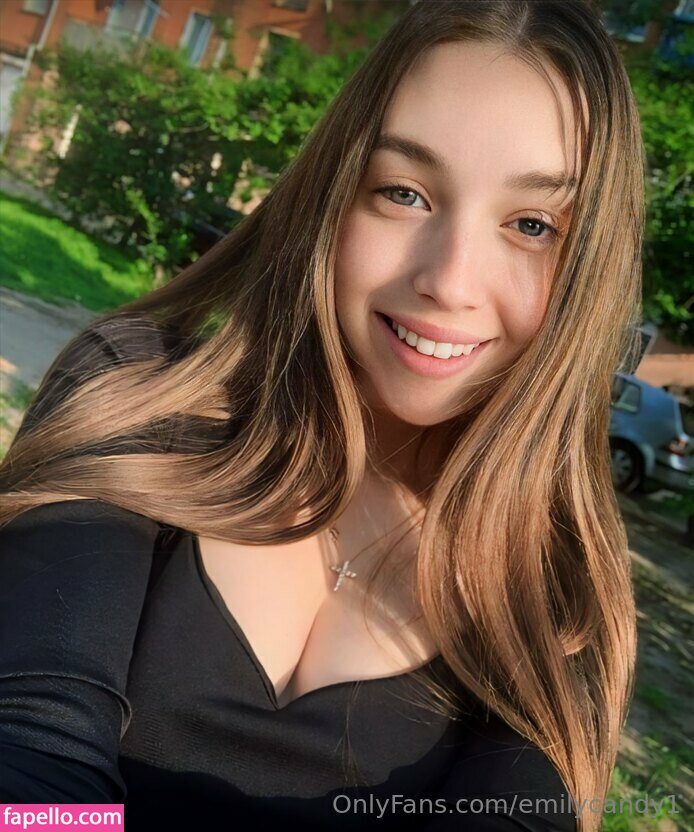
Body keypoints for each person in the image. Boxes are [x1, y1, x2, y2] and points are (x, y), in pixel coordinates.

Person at [0, 1, 645, 830]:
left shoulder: (560, 597)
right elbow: (36, 758)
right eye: (404, 193)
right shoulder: (140, 388)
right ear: (335, 195)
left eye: (532, 225)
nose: (449, 281)